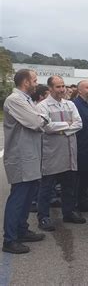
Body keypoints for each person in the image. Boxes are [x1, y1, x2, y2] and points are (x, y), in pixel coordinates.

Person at [2, 69, 49, 254]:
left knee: (28, 197)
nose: (37, 83)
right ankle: (10, 239)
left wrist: (42, 118)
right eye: (34, 80)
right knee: (19, 197)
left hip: (31, 155)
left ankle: (21, 230)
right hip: (20, 157)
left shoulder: (26, 99)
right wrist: (42, 118)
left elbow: (40, 119)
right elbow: (37, 122)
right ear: (25, 82)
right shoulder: (14, 100)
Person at [36, 76, 85, 232]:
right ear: (50, 89)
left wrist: (61, 129)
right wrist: (67, 126)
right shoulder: (43, 106)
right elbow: (47, 127)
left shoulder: (70, 104)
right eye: (58, 87)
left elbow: (79, 123)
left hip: (69, 152)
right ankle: (43, 217)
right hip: (52, 153)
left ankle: (68, 212)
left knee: (69, 186)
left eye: (63, 86)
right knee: (46, 187)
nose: (62, 89)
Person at [73, 80, 88, 212]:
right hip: (80, 146)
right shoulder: (74, 105)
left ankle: (84, 200)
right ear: (80, 90)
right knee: (79, 177)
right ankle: (77, 202)